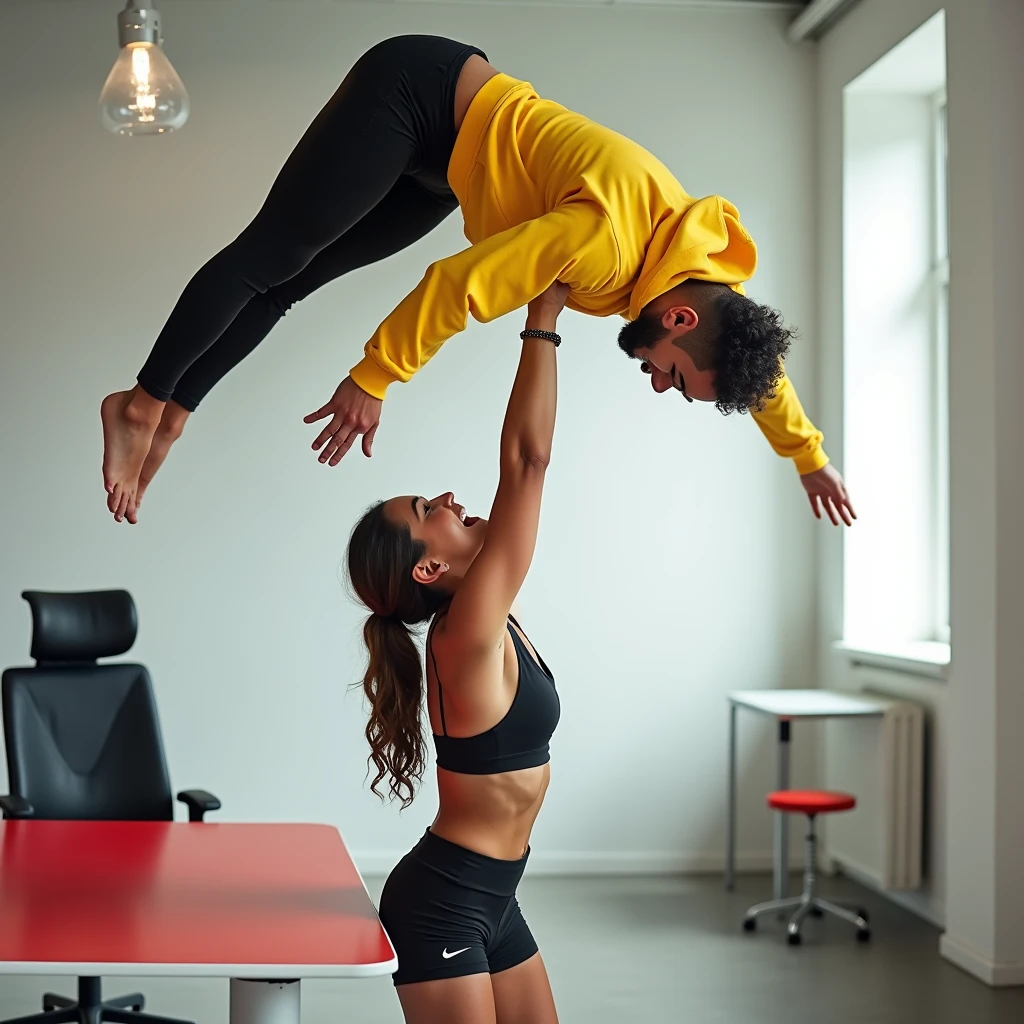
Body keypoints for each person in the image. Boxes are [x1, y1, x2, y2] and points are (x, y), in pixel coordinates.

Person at [100, 34, 854, 528]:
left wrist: (809, 457)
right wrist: (374, 378)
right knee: (273, 253)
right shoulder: (605, 245)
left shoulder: (704, 273)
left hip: (449, 166)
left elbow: (760, 368)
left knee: (291, 282)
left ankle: (178, 407)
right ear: (681, 325)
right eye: (675, 380)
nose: (658, 385)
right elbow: (460, 284)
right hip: (417, 93)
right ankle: (139, 402)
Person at [345, 282, 566, 1023]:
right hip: (443, 905)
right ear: (427, 570)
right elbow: (527, 464)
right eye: (425, 511)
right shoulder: (467, 634)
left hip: (496, 896)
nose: (445, 498)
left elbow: (521, 479)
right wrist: (543, 320)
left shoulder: (491, 618)